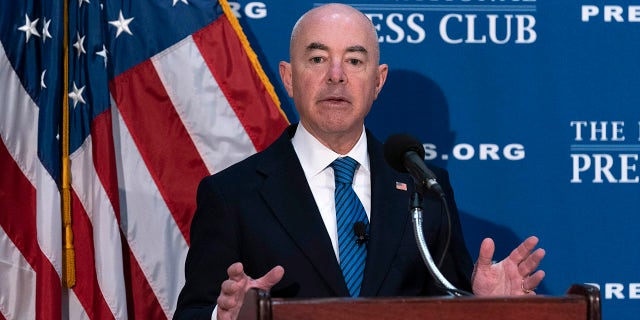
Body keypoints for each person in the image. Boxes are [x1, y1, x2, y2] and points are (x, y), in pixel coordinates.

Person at [173, 3, 546, 320]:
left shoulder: (425, 185)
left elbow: (448, 304)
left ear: (378, 81)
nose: (336, 76)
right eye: (318, 59)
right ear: (288, 77)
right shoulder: (232, 196)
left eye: (354, 60)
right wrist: (224, 317)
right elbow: (193, 311)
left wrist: (484, 304)